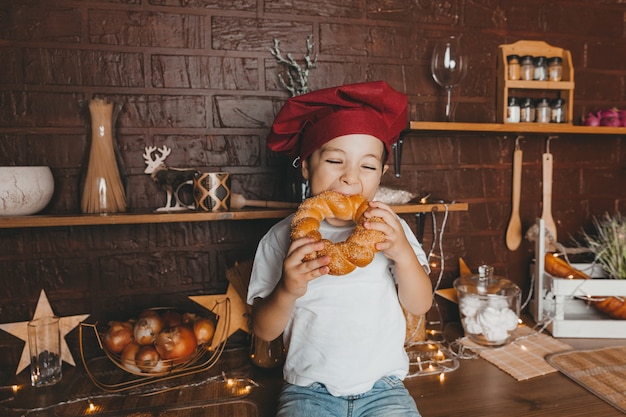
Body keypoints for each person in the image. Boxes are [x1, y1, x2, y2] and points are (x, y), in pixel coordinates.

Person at [246, 80, 433, 417]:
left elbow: (420, 304)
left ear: (382, 173)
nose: (351, 177)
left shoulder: (392, 231)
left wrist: (404, 254)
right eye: (335, 160)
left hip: (384, 389)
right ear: (306, 166)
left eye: (368, 166)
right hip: (308, 392)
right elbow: (263, 329)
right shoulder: (281, 238)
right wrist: (287, 290)